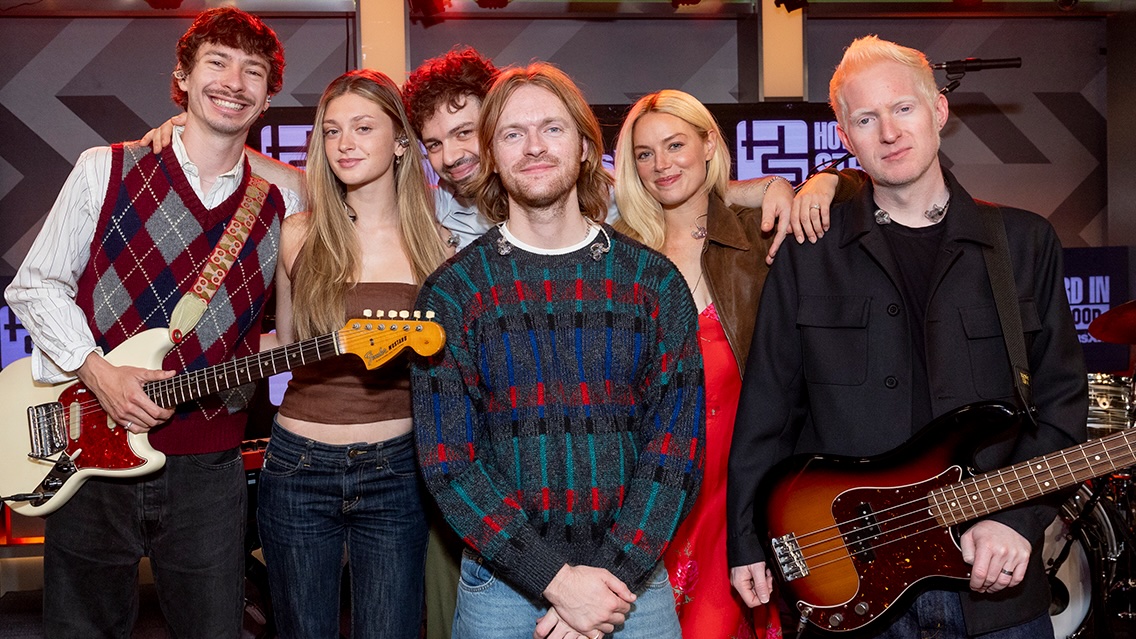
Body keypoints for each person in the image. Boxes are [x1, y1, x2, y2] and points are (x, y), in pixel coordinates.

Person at [726, 35, 1088, 638]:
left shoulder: (1024, 244)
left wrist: (1018, 520)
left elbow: (1061, 407)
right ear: (845, 137)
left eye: (903, 108)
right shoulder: (808, 253)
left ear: (938, 111)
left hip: (992, 593)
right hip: (855, 587)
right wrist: (746, 539)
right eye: (866, 119)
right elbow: (768, 409)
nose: (889, 132)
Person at [4, 8, 299, 637]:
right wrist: (99, 373)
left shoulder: (285, 201)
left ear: (268, 96)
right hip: (88, 451)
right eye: (216, 62)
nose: (234, 82)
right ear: (182, 77)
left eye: (253, 72)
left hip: (210, 468)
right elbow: (35, 285)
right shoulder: (104, 168)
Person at [411, 62, 705, 639]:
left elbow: (677, 448)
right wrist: (557, 582)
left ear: (585, 146)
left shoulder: (653, 281)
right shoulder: (452, 292)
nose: (534, 147)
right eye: (512, 133)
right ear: (492, 155)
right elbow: (448, 463)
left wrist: (605, 584)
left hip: (632, 589)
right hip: (500, 590)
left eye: (551, 128)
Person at [254, 68, 450, 638]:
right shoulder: (298, 233)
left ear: (401, 143)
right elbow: (288, 344)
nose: (345, 144)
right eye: (332, 130)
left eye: (363, 127)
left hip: (398, 469)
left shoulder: (437, 244)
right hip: (297, 464)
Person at [612, 89, 783, 639]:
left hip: (737, 481)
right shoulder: (617, 252)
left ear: (709, 144)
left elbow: (856, 195)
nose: (661, 164)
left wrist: (808, 185)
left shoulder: (756, 236)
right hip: (652, 481)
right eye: (644, 153)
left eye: (675, 145)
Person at [402, 46, 798, 260]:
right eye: (433, 144)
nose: (450, 156)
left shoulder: (603, 198)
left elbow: (671, 190)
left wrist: (776, 186)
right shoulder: (426, 211)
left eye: (464, 133)